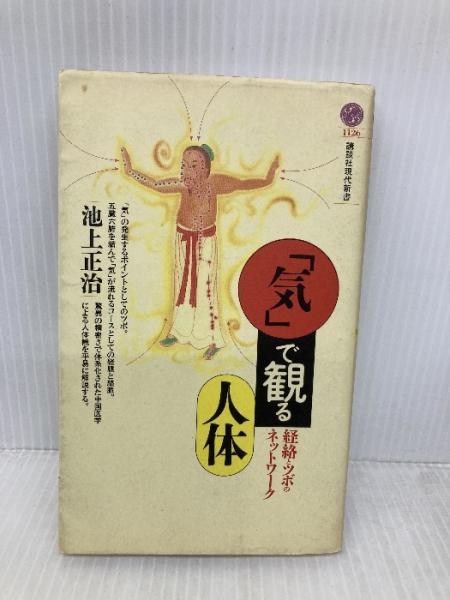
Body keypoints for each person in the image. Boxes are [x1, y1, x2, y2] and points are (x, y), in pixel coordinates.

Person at [121, 144, 279, 359]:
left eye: (194, 166)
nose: (187, 171)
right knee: (182, 287)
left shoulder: (216, 184)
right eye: (184, 165)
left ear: (206, 168)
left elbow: (242, 184)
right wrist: (130, 171)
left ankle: (213, 340)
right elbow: (156, 184)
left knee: (205, 290)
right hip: (183, 240)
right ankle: (179, 332)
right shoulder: (182, 185)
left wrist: (268, 179)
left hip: (205, 242)